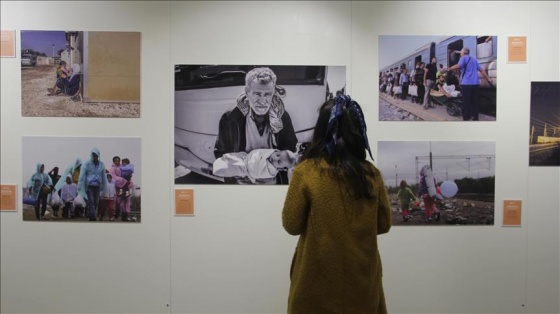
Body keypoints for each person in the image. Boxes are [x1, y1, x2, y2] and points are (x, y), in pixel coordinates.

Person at [282, 95, 392, 313]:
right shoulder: (371, 174)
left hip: (315, 282)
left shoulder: (306, 172)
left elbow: (291, 224)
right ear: (359, 131)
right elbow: (384, 225)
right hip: (361, 279)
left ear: (321, 129)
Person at [214, 67, 297, 184]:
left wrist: (275, 166)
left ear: (273, 93)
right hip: (240, 185)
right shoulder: (230, 118)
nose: (263, 101)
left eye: (267, 94)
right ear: (247, 92)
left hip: (271, 185)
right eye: (257, 94)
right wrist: (236, 170)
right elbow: (221, 152)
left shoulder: (282, 116)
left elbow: (290, 147)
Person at [447, 47, 493, 121]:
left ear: (464, 52)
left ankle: (466, 118)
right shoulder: (474, 60)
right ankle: (475, 117)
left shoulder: (463, 58)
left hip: (466, 84)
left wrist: (449, 69)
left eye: (461, 52)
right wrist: (488, 78)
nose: (460, 53)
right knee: (475, 102)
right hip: (475, 84)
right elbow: (481, 70)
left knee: (466, 102)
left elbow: (458, 66)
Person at [213, 148, 297, 183]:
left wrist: (247, 164)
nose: (275, 158)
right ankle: (221, 161)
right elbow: (260, 152)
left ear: (281, 168)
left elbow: (257, 171)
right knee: (228, 157)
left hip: (246, 169)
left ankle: (214, 170)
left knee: (228, 168)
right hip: (246, 157)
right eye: (278, 155)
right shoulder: (272, 152)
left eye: (279, 162)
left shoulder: (271, 171)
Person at [77, 147, 108, 222]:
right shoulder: (87, 164)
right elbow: (82, 175)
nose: (94, 157)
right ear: (91, 155)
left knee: (96, 202)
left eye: (96, 155)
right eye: (93, 155)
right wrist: (80, 185)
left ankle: (90, 214)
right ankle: (92, 217)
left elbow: (103, 176)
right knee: (91, 201)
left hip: (97, 186)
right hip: (89, 186)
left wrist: (105, 186)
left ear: (98, 155)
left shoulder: (101, 164)